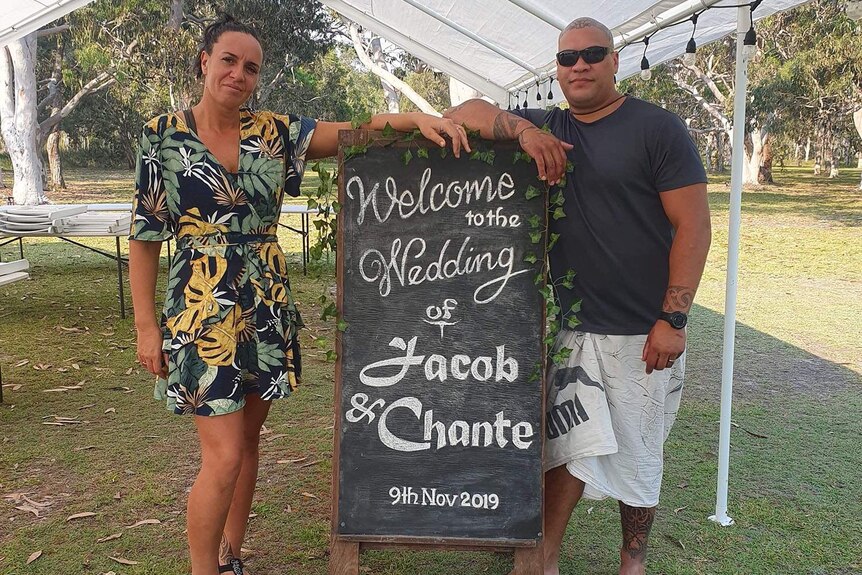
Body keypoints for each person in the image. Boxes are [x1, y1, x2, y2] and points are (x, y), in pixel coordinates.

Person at [128, 14, 469, 575]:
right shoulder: (161, 135)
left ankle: (232, 554)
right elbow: (144, 238)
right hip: (200, 306)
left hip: (263, 301)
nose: (239, 74)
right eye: (229, 60)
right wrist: (146, 328)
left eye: (251, 67)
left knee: (248, 441)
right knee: (224, 455)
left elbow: (356, 130)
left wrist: (411, 119)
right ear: (204, 62)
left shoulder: (274, 132)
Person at [444, 16, 711, 575]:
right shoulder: (550, 123)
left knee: (639, 456)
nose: (580, 65)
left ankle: (631, 561)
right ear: (558, 71)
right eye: (567, 58)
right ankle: (542, 559)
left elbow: (694, 225)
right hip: (573, 327)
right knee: (564, 447)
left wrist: (674, 317)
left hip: (643, 330)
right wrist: (523, 132)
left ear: (615, 61)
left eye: (592, 54)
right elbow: (462, 112)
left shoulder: (657, 128)